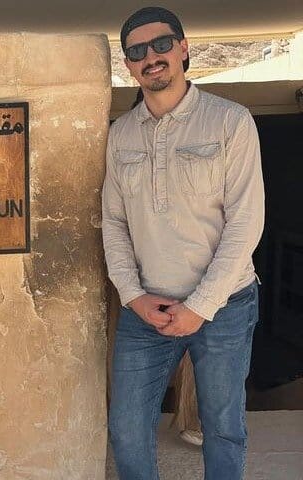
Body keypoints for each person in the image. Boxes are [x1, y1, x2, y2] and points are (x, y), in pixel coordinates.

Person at [103, 6, 264, 480]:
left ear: (183, 48)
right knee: (127, 429)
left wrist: (201, 305)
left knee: (223, 428)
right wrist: (132, 295)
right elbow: (113, 222)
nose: (150, 57)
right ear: (128, 65)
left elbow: (245, 222)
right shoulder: (120, 135)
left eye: (161, 45)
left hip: (225, 304)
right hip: (145, 309)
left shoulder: (230, 121)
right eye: (137, 51)